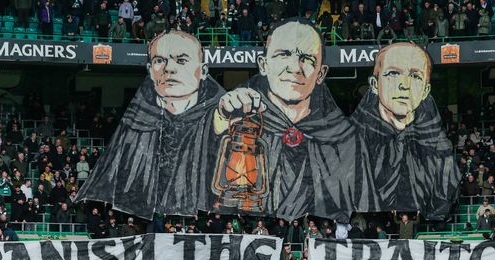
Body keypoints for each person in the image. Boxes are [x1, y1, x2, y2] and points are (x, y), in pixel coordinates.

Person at [212, 20, 356, 222]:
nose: (294, 68)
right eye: (283, 54)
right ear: (263, 65)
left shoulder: (342, 134)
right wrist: (219, 122)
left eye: (306, 58)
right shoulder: (239, 119)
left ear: (321, 73)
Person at [76, 30, 225, 217]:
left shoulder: (223, 117)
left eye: (181, 60)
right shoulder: (132, 124)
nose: (169, 69)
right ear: (150, 71)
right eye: (160, 61)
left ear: (202, 71)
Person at [351, 42, 460, 220]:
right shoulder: (351, 141)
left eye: (415, 76)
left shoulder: (438, 149)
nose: (404, 85)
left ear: (426, 90)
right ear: (374, 84)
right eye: (393, 73)